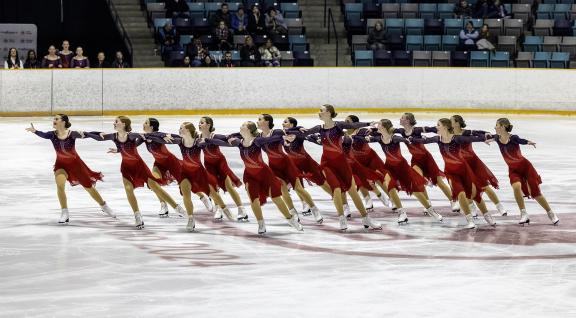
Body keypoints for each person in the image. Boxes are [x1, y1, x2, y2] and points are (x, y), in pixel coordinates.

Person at [202, 122, 304, 234]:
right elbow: (222, 141)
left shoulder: (257, 141)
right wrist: (208, 141)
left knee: (276, 198)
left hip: (265, 174)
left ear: (249, 130)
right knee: (253, 200)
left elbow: (271, 139)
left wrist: (286, 135)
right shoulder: (239, 142)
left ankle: (290, 219)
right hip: (250, 176)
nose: (240, 127)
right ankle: (261, 224)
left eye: (243, 126)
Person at [85, 116, 185, 229]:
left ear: (123, 124)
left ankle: (177, 208)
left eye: (116, 121)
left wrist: (165, 136)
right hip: (126, 167)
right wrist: (86, 134)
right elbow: (100, 137)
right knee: (128, 190)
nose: (114, 123)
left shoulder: (131, 136)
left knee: (155, 187)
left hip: (139, 166)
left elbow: (150, 135)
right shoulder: (114, 136)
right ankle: (137, 215)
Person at [299, 105, 382, 231]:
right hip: (327, 163)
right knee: (336, 190)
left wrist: (369, 123)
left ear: (328, 113)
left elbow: (353, 126)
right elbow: (305, 133)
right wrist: (291, 132)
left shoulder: (338, 126)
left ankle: (366, 218)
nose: (319, 113)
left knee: (352, 191)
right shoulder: (319, 128)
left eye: (321, 111)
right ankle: (341, 218)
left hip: (341, 163)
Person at [25, 114, 115, 224]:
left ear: (63, 122)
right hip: (61, 165)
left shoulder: (72, 134)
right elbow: (43, 134)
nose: (54, 120)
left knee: (89, 187)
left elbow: (88, 134)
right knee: (60, 185)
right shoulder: (52, 135)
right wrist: (35, 131)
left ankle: (104, 205)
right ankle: (64, 212)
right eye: (54, 119)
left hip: (76, 165)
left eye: (56, 119)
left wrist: (99, 133)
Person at [410, 119, 496, 229]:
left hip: (464, 171)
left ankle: (486, 215)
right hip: (451, 173)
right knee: (460, 193)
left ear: (445, 127)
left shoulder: (457, 139)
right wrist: (411, 139)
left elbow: (472, 138)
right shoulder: (438, 139)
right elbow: (424, 141)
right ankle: (469, 220)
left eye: (438, 125)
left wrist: (484, 138)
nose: (436, 127)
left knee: (475, 194)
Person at [146, 122, 235, 229]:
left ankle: (225, 209)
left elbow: (216, 141)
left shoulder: (198, 142)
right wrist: (163, 136)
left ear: (188, 131)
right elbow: (159, 137)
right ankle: (190, 219)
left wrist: (229, 140)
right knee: (186, 194)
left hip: (199, 172)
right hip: (186, 172)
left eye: (181, 128)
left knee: (212, 193)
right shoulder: (180, 141)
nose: (179, 130)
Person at [367, 119, 444, 224]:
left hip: (402, 167)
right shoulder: (380, 138)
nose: (377, 126)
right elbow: (368, 138)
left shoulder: (394, 138)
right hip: (389, 167)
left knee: (415, 190)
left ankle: (431, 210)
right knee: (390, 187)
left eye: (379, 125)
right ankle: (401, 213)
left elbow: (401, 139)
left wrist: (407, 140)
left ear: (384, 127)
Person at [486, 118, 559, 225]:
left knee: (536, 193)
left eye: (496, 125)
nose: (495, 127)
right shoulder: (497, 138)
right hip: (513, 170)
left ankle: (550, 212)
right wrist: (484, 139)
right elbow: (487, 137)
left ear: (503, 127)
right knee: (516, 187)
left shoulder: (513, 138)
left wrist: (529, 142)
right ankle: (523, 214)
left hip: (526, 168)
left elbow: (522, 141)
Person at [256, 114, 323, 223]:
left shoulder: (277, 132)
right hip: (274, 167)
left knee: (298, 188)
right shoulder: (258, 137)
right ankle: (293, 212)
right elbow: (245, 135)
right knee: (283, 190)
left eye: (260, 119)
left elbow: (290, 132)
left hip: (287, 164)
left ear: (267, 122)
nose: (257, 121)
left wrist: (296, 129)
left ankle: (314, 209)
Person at [141, 118, 214, 219]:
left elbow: (167, 135)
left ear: (152, 127)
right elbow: (133, 142)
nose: (143, 124)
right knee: (152, 183)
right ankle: (164, 205)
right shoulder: (144, 137)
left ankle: (203, 197)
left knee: (186, 185)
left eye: (146, 123)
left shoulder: (159, 135)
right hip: (159, 164)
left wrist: (164, 135)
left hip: (171, 162)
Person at [395, 113, 457, 211]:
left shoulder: (416, 130)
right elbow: (388, 130)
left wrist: (444, 130)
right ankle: (427, 203)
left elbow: (430, 129)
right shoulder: (401, 131)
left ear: (407, 120)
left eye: (402, 118)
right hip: (416, 160)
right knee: (418, 181)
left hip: (427, 159)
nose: (400, 119)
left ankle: (453, 200)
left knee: (439, 182)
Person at [451, 115, 510, 216]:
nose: (449, 122)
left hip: (473, 162)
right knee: (466, 188)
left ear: (457, 123)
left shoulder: (465, 132)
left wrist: (486, 135)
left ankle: (499, 206)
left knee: (485, 186)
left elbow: (478, 132)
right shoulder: (450, 133)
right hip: (461, 164)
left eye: (451, 121)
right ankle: (472, 207)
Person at [198, 116, 248, 221]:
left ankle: (241, 209)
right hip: (208, 164)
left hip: (220, 163)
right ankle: (219, 209)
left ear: (208, 125)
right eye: (199, 122)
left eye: (202, 122)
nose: (199, 124)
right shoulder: (198, 137)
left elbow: (228, 137)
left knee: (229, 186)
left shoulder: (215, 136)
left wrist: (232, 138)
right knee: (213, 186)